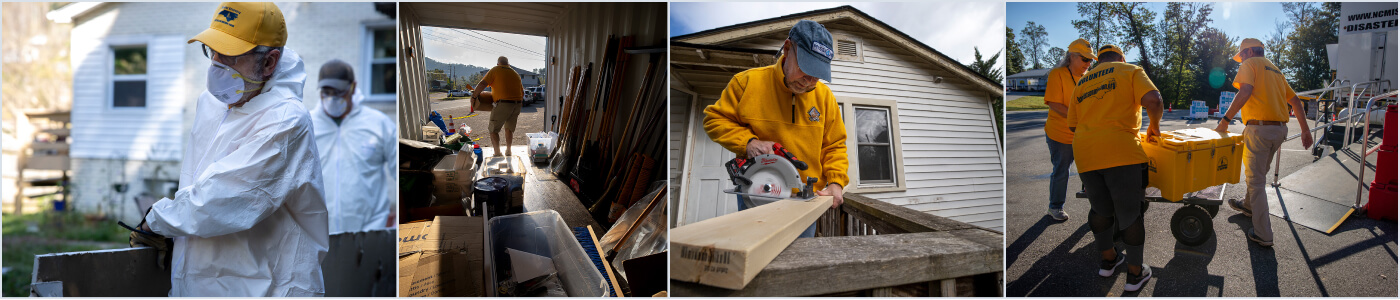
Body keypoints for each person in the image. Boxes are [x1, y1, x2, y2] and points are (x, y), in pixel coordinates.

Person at [140, 2, 329, 296]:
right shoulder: (211, 102)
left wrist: (157, 220)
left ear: (269, 62)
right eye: (212, 51)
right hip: (200, 281)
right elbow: (197, 186)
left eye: (229, 55)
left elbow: (224, 199)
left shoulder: (286, 120)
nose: (216, 63)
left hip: (265, 286)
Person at [702, 20, 849, 238]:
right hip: (757, 192)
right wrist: (748, 143)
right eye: (805, 68)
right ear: (787, 49)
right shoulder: (747, 83)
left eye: (817, 74)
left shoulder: (825, 98)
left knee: (796, 260)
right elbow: (714, 120)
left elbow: (835, 146)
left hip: (804, 199)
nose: (809, 81)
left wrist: (836, 182)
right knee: (754, 253)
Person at [1067, 44, 1162, 291]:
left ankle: (1108, 261)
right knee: (1130, 213)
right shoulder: (1129, 70)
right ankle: (1134, 273)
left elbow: (1072, 125)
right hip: (1121, 152)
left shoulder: (1083, 82)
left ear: (1099, 60)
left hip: (1086, 154)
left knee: (1100, 209)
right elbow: (1153, 99)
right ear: (1121, 57)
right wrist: (1154, 126)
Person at [1216, 38, 1313, 247]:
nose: (1240, 59)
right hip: (1279, 130)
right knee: (1258, 174)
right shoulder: (1276, 70)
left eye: (1241, 54)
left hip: (1259, 129)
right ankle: (1249, 206)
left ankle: (1263, 234)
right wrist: (1305, 130)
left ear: (1250, 52)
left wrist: (1225, 120)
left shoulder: (1250, 64)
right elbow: (1295, 101)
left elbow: (1245, 91)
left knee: (1256, 180)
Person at [311, 59, 398, 233]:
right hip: (318, 236)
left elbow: (401, 170)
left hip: (370, 233)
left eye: (339, 92)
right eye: (326, 92)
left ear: (353, 87)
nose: (332, 98)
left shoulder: (378, 124)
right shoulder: (307, 125)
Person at [1043, 38, 1096, 221]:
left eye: (1090, 60)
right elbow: (1054, 103)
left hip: (1082, 132)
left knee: (1091, 167)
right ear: (1072, 56)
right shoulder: (1057, 74)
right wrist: (1078, 118)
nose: (1088, 63)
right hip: (1060, 133)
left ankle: (1096, 204)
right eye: (1084, 59)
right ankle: (1055, 207)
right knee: (1061, 170)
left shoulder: (1088, 77)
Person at [471, 56, 526, 157]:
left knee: (493, 130)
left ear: (498, 64)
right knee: (509, 129)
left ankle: (497, 153)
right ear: (508, 64)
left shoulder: (496, 70)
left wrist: (474, 96)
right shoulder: (515, 73)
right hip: (517, 104)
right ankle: (508, 151)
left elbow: (483, 83)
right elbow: (522, 92)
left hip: (503, 104)